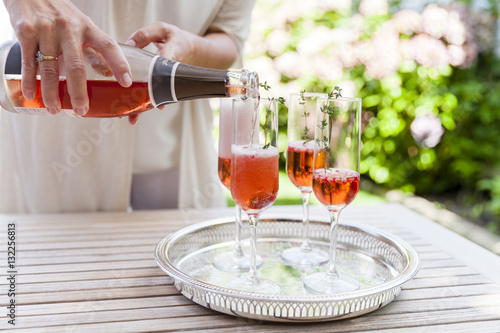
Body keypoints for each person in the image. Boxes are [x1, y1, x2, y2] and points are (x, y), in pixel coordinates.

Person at [0, 0, 256, 213]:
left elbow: (229, 35)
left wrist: (190, 46)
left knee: (176, 259)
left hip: (173, 147)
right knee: (58, 259)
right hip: (58, 127)